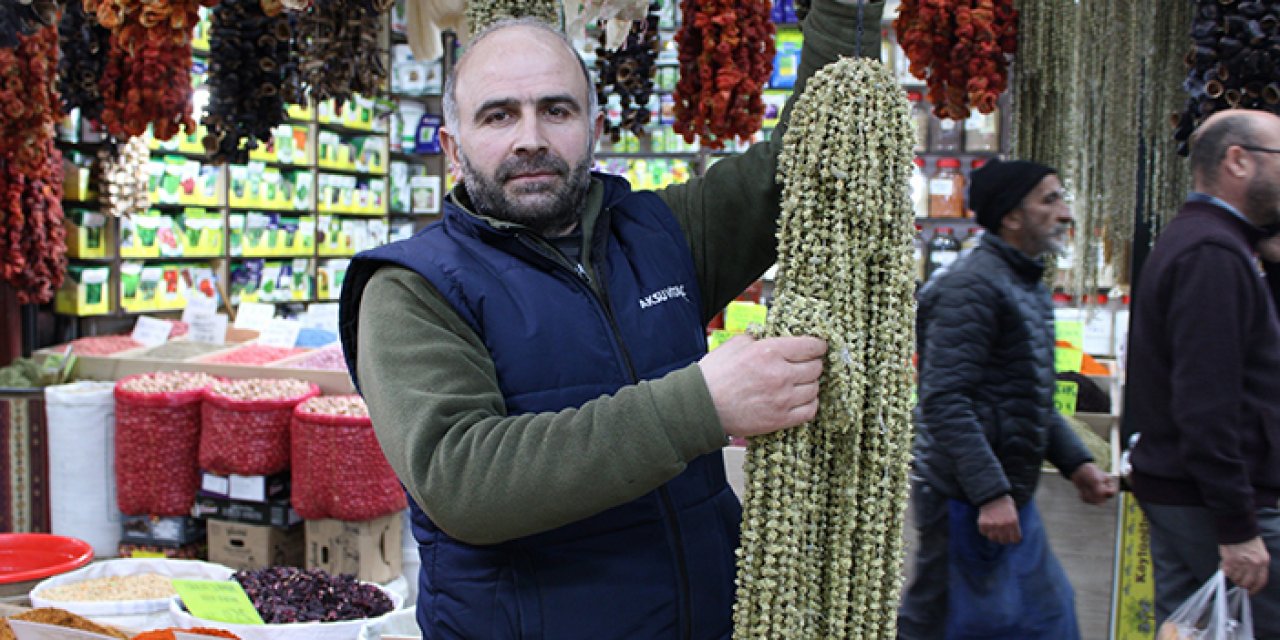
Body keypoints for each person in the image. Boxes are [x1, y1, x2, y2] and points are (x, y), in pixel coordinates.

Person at [336, 3, 883, 637]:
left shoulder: (663, 235)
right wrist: (701, 405)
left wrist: (847, 11)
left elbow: (803, 159)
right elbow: (461, 479)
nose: (531, 137)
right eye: (499, 115)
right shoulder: (412, 285)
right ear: (453, 147)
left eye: (556, 110)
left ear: (595, 126)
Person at [897, 158, 1117, 639]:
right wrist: (990, 494)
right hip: (967, 500)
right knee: (969, 622)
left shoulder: (1023, 283)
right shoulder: (969, 288)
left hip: (1005, 496)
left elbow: (1029, 397)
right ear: (1012, 216)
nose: (1064, 212)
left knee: (1044, 618)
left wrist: (1077, 463)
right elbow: (945, 399)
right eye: (1050, 199)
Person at [1126, 108, 1280, 637]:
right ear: (1238, 161)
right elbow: (1206, 403)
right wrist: (1238, 527)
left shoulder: (1211, 242)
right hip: (1214, 503)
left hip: (1186, 492)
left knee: (1193, 627)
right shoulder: (1211, 254)